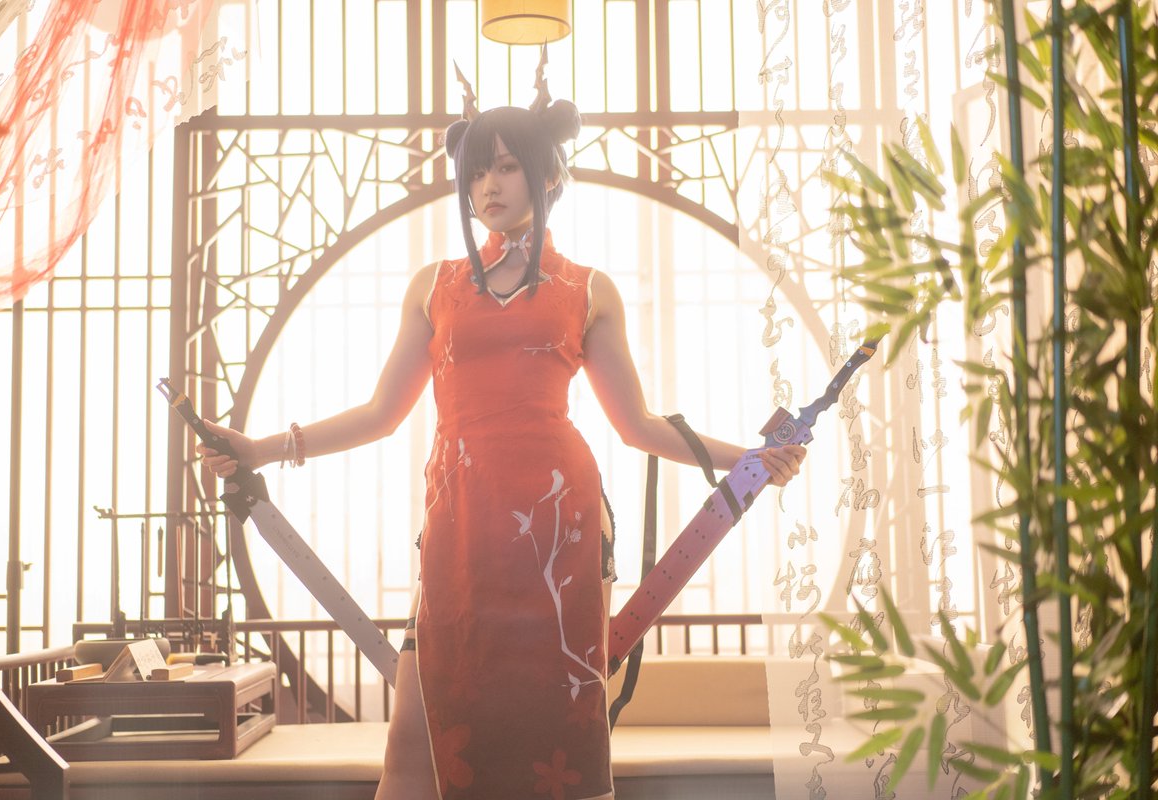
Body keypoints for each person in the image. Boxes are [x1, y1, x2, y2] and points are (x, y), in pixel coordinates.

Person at [197, 61, 806, 800]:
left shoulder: (588, 289)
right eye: (477, 171)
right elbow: (381, 414)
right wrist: (259, 448)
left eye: (508, 167)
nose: (489, 185)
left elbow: (639, 426)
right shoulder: (434, 286)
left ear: (547, 175)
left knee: (558, 742)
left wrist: (752, 458)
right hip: (461, 521)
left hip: (561, 525)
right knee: (415, 751)